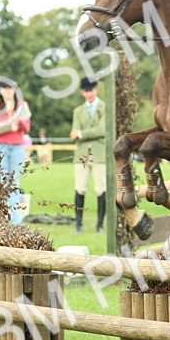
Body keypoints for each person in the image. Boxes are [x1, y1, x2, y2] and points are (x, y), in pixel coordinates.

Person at [0, 80, 32, 224]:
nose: (8, 91)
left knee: (13, 184)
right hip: (1, 147)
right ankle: (2, 219)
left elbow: (26, 128)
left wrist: (17, 120)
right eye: (5, 88)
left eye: (10, 88)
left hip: (17, 148)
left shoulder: (22, 106)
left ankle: (16, 221)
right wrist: (7, 126)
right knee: (2, 183)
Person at [70, 77, 108, 233]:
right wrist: (79, 134)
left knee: (101, 189)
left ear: (96, 90)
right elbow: (73, 133)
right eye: (86, 91)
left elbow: (102, 130)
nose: (89, 94)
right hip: (82, 154)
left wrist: (81, 133)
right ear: (82, 92)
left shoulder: (105, 107)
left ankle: (100, 225)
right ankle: (78, 224)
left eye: (91, 90)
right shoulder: (78, 111)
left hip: (99, 153)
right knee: (80, 188)